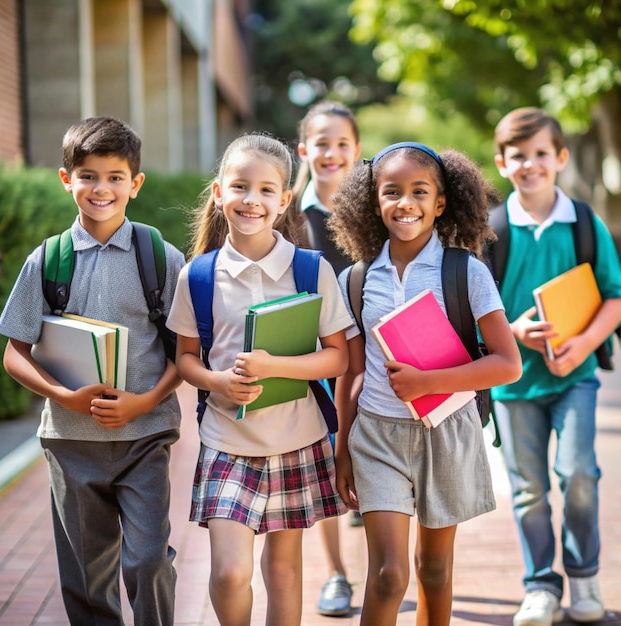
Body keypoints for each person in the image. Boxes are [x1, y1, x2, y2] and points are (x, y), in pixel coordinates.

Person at [0, 116, 185, 625]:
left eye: (115, 177)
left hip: (145, 435)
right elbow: (15, 352)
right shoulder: (47, 260)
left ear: (135, 184)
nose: (102, 188)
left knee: (147, 561)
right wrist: (66, 396)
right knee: (85, 575)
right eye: (88, 175)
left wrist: (145, 402)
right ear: (66, 179)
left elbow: (185, 354)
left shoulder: (160, 258)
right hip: (70, 441)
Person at [329, 141, 522, 626]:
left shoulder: (466, 271)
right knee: (388, 575)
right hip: (376, 436)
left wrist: (428, 381)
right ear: (374, 202)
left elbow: (507, 363)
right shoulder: (356, 279)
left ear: (441, 202)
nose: (405, 203)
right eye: (391, 192)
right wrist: (342, 447)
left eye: (420, 191)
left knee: (433, 570)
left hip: (447, 432)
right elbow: (351, 371)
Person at [166, 132, 352, 626]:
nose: (253, 200)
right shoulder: (198, 275)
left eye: (267, 190)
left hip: (298, 437)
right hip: (226, 439)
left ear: (285, 199)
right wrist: (218, 382)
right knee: (229, 572)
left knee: (286, 572)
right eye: (241, 187)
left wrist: (275, 367)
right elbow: (185, 359)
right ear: (218, 193)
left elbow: (337, 359)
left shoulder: (311, 270)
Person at [490, 107, 621, 626]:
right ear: (502, 163)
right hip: (513, 384)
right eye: (518, 155)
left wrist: (584, 342)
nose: (530, 164)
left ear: (560, 158)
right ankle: (541, 586)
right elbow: (475, 313)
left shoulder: (585, 224)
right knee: (528, 491)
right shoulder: (492, 232)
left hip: (575, 379)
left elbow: (614, 297)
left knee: (580, 475)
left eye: (541, 154)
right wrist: (515, 333)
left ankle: (585, 580)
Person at [293, 100, 363, 616]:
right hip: (319, 355)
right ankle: (337, 574)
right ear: (305, 150)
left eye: (342, 143)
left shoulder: (375, 209)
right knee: (326, 460)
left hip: (375, 355)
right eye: (322, 143)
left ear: (357, 151)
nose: (332, 153)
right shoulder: (289, 213)